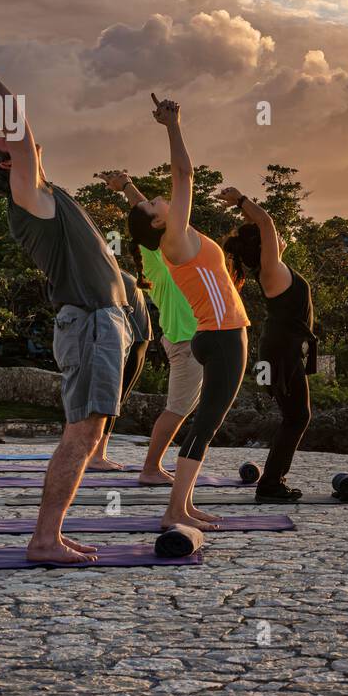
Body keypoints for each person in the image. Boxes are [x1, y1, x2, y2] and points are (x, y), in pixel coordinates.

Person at [0, 49, 127, 564]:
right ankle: (44, 540)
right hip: (90, 323)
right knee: (81, 433)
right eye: (13, 144)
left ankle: (51, 534)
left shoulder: (46, 194)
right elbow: (17, 124)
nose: (25, 141)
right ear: (7, 162)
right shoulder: (26, 195)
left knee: (86, 432)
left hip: (100, 320)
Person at [126, 95, 249, 530]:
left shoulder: (175, 235)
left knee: (204, 422)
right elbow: (184, 173)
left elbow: (162, 197)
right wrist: (173, 125)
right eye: (153, 205)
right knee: (206, 423)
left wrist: (129, 190)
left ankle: (184, 503)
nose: (160, 199)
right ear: (159, 223)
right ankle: (175, 510)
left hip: (216, 334)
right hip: (221, 336)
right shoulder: (173, 239)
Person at [102, 170, 203, 486]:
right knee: (177, 409)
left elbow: (147, 214)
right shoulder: (160, 255)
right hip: (187, 340)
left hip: (188, 338)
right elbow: (148, 214)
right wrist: (129, 190)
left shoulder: (158, 251)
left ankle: (158, 465)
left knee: (184, 408)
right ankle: (151, 468)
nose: (166, 206)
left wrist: (127, 187)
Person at [218, 186, 315, 502]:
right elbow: (267, 223)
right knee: (297, 417)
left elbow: (268, 232)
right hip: (280, 353)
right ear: (264, 248)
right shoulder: (271, 269)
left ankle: (273, 481)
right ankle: (271, 484)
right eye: (271, 240)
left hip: (279, 351)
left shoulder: (275, 269)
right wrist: (240, 201)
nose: (277, 238)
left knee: (295, 416)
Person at [84, 267, 153, 473]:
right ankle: (96, 456)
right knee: (113, 400)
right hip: (130, 340)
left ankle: (96, 454)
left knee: (116, 400)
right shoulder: (105, 275)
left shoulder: (112, 272)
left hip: (139, 338)